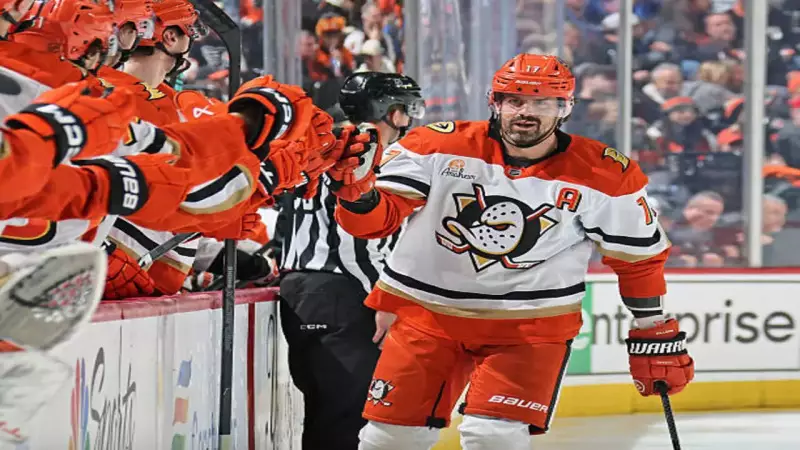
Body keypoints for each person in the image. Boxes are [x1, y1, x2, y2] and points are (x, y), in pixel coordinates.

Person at [327, 54, 696, 449]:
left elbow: (638, 260)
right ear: (495, 103)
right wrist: (359, 193)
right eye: (515, 100)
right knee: (390, 439)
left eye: (542, 102)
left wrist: (651, 326)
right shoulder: (436, 145)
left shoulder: (605, 174)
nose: (526, 112)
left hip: (530, 327)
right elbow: (376, 222)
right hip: (428, 317)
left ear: (565, 107)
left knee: (494, 437)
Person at [276, 71, 424, 450]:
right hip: (345, 291)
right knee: (346, 417)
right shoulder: (369, 151)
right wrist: (387, 298)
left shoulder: (320, 144)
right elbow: (359, 239)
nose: (408, 120)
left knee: (325, 412)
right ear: (389, 111)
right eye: (406, 110)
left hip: (298, 291)